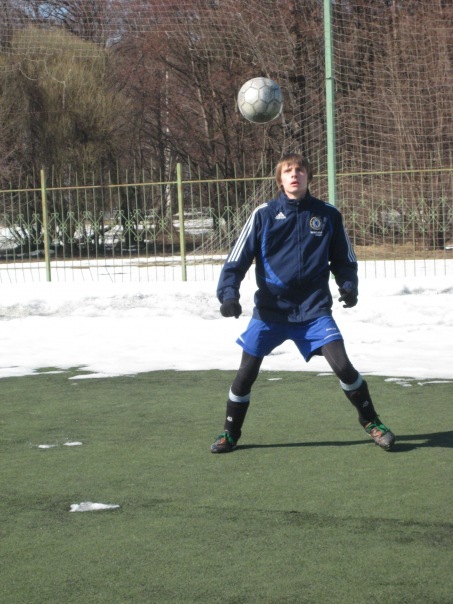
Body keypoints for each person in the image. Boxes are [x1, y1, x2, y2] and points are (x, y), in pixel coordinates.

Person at [211, 153, 395, 453]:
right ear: (280, 179)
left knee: (344, 367)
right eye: (288, 171)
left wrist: (348, 286)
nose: (294, 174)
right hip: (271, 312)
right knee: (245, 375)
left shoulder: (327, 214)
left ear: (308, 177)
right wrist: (229, 294)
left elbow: (344, 260)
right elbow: (236, 260)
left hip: (314, 311)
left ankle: (372, 422)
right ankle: (229, 434)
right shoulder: (263, 215)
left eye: (300, 170)